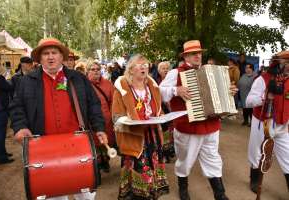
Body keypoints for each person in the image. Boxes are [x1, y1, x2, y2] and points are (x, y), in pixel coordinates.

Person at [9, 38, 107, 200]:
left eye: (54, 52)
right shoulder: (27, 81)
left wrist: (99, 128)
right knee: (52, 196)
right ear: (40, 59)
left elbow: (94, 105)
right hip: (44, 149)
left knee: (86, 195)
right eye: (46, 53)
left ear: (62, 57)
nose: (50, 57)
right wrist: (20, 127)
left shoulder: (78, 78)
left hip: (78, 146)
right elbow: (16, 107)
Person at [160, 40, 237, 200]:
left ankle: (220, 194)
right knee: (185, 160)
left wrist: (230, 91)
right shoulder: (175, 73)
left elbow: (222, 94)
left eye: (199, 52)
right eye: (193, 53)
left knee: (213, 158)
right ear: (186, 55)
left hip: (211, 125)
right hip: (188, 127)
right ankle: (183, 189)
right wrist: (176, 90)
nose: (197, 55)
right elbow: (159, 92)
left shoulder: (212, 71)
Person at [112, 54, 169, 200]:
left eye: (145, 64)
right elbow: (116, 115)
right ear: (130, 69)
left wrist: (161, 116)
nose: (144, 67)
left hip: (152, 135)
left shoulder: (152, 86)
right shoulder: (122, 88)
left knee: (152, 168)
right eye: (139, 64)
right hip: (134, 136)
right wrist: (130, 121)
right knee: (137, 170)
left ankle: (151, 194)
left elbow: (157, 108)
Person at [246, 50, 289, 194]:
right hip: (263, 123)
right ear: (280, 63)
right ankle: (254, 180)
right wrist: (265, 98)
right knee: (257, 152)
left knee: (288, 157)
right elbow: (248, 101)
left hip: (283, 126)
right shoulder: (262, 79)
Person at [87, 61, 115, 173]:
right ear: (87, 71)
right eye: (92, 69)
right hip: (91, 121)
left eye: (97, 69)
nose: (95, 71)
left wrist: (113, 116)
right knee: (94, 144)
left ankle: (105, 161)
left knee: (106, 142)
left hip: (107, 120)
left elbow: (114, 100)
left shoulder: (108, 84)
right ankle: (97, 165)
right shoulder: (84, 84)